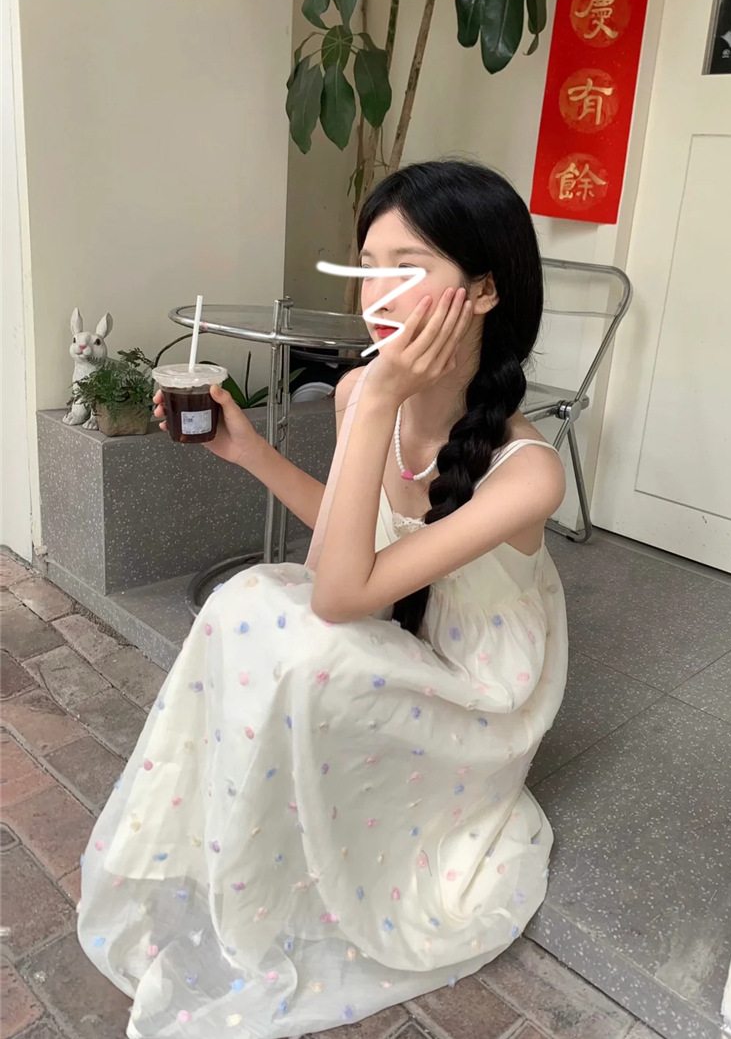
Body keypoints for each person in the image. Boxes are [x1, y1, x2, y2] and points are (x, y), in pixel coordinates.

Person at [76, 158, 569, 1038]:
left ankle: (265, 850)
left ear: (485, 289)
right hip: (399, 640)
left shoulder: (527, 473)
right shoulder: (360, 394)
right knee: (246, 605)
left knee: (290, 624)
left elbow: (342, 595)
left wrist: (377, 397)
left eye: (407, 268)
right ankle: (222, 846)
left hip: (479, 698)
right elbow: (362, 549)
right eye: (366, 266)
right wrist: (250, 451)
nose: (376, 294)